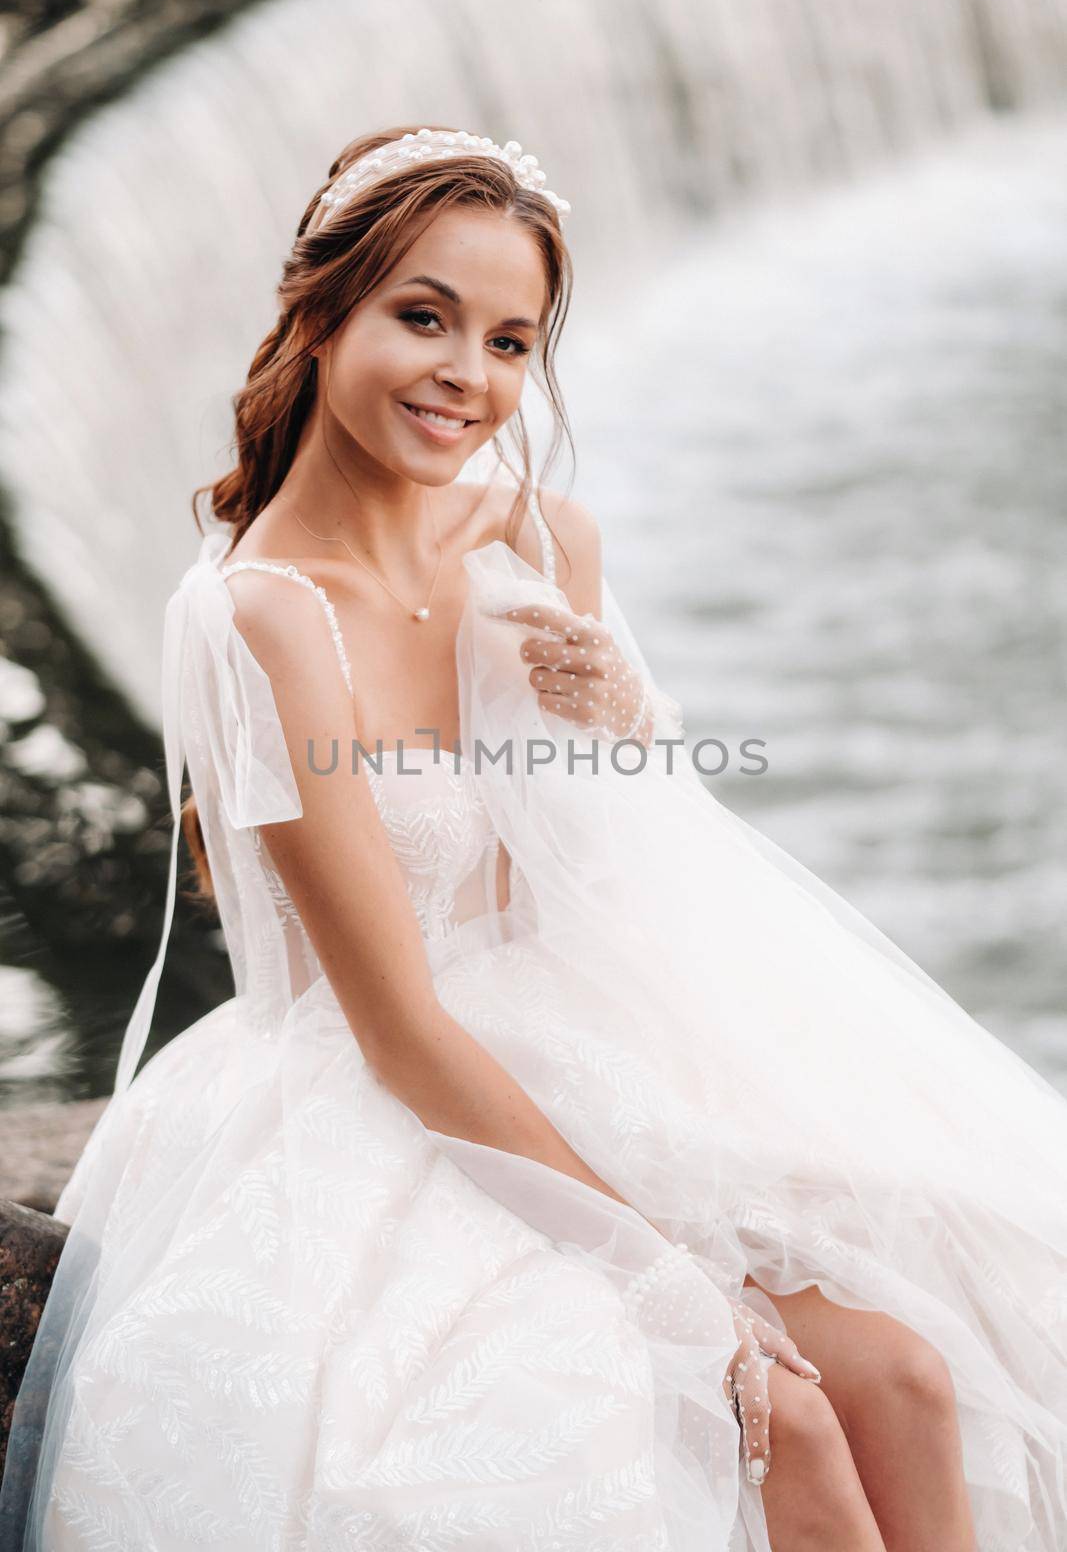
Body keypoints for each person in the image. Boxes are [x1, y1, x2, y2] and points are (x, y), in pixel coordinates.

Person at [2, 124, 1064, 1552]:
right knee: (780, 1423)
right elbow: (396, 1029)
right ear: (319, 314)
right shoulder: (265, 618)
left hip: (595, 1040)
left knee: (915, 1373)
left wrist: (625, 720)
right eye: (422, 317)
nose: (467, 377)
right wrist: (671, 1286)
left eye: (510, 342)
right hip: (402, 1105)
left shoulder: (543, 542)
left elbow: (629, 873)